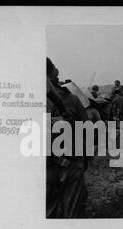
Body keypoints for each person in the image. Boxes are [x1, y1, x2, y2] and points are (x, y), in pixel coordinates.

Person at [46, 57, 89, 218]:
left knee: (47, 212)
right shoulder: (72, 99)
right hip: (70, 163)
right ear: (55, 74)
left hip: (45, 165)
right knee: (72, 213)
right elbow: (87, 131)